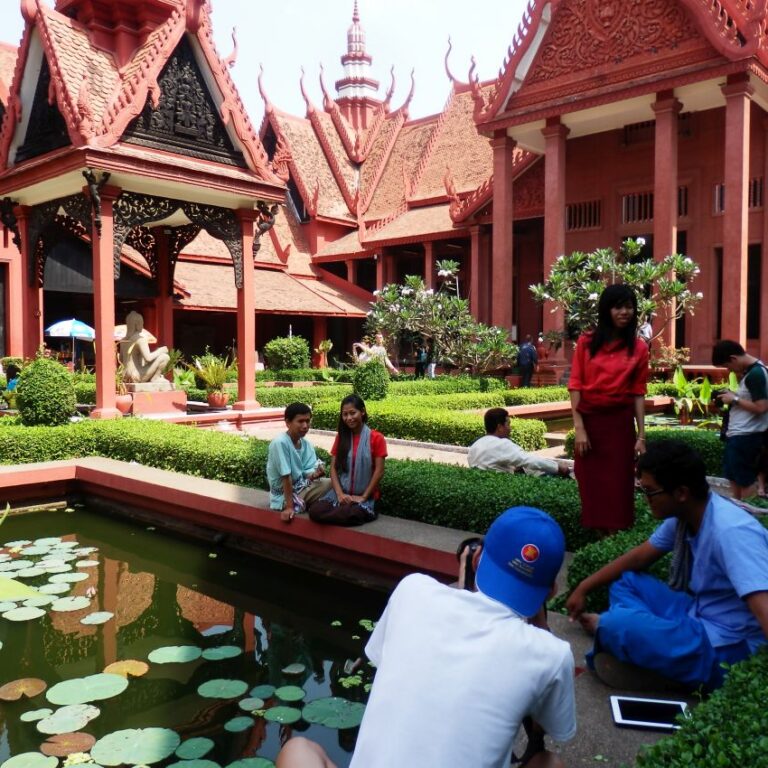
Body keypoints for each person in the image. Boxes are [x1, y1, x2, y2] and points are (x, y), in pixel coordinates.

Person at [276, 506, 575, 768]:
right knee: (550, 763)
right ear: (550, 592)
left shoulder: (412, 589)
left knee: (298, 749)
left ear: (476, 559)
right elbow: (546, 727)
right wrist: (540, 622)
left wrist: (464, 583)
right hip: (529, 611)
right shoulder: (551, 654)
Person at [566, 440, 768, 691]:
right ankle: (649, 644)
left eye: (650, 492)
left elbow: (764, 608)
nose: (646, 499)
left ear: (681, 493)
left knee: (616, 624)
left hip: (727, 644)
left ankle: (638, 645)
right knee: (627, 582)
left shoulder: (731, 532)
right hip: (696, 613)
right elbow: (640, 557)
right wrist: (584, 587)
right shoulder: (689, 514)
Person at [568, 284, 648, 533]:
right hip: (590, 424)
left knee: (619, 486)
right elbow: (575, 386)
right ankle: (597, 540)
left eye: (629, 307)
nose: (625, 312)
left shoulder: (639, 348)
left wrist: (641, 436)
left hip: (619, 426)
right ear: (606, 310)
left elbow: (638, 393)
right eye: (618, 307)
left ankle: (616, 540)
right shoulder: (586, 342)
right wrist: (579, 428)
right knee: (590, 484)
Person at [308, 395, 387, 526]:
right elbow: (333, 468)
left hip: (366, 497)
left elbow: (379, 471)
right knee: (315, 511)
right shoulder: (342, 437)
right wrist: (339, 495)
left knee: (351, 514)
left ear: (362, 411)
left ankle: (347, 511)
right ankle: (343, 510)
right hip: (341, 494)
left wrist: (363, 497)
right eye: (345, 414)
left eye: (352, 413)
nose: (349, 418)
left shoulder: (376, 438)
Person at [711, 339, 768, 499]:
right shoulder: (751, 373)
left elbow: (762, 407)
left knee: (744, 481)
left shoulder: (755, 374)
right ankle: (738, 511)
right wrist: (733, 396)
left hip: (746, 437)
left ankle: (748, 517)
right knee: (734, 477)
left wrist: (734, 400)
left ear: (733, 359)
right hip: (738, 436)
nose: (729, 370)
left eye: (727, 366)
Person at [266, 402, 332, 523]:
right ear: (288, 422)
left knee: (331, 483)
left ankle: (309, 503)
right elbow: (286, 476)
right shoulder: (280, 443)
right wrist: (289, 508)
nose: (305, 425)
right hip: (284, 497)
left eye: (307, 421)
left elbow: (307, 472)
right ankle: (298, 504)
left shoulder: (306, 444)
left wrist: (315, 475)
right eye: (300, 421)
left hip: (300, 487)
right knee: (330, 486)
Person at [468, 408, 570, 478]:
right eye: (508, 424)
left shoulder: (475, 446)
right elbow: (530, 460)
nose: (510, 429)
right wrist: (558, 467)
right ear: (499, 427)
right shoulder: (501, 444)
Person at [119, 310, 170, 385]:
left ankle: (155, 377)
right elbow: (148, 358)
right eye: (141, 323)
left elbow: (121, 359)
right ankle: (155, 378)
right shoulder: (140, 339)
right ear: (137, 324)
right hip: (136, 376)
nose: (142, 325)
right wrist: (160, 350)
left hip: (125, 376)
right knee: (165, 357)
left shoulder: (123, 340)